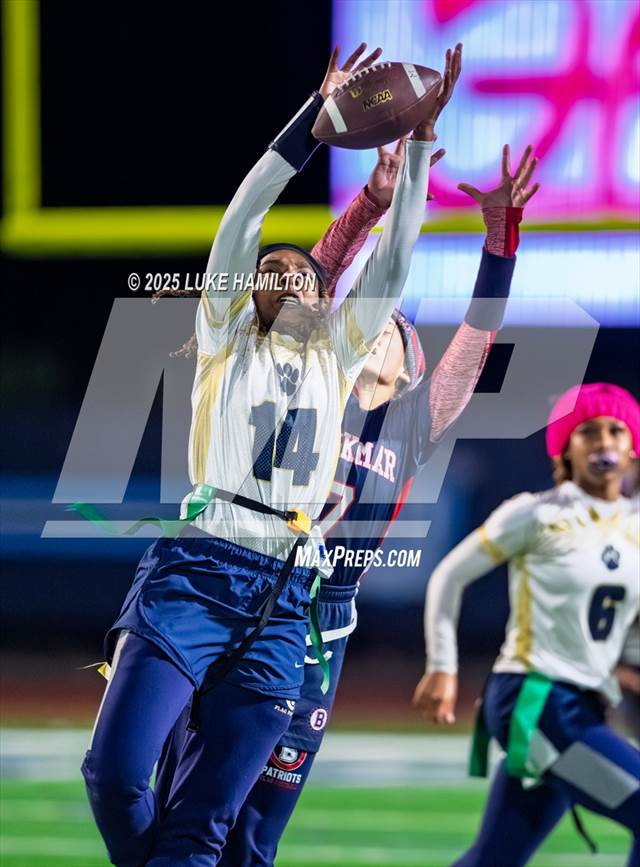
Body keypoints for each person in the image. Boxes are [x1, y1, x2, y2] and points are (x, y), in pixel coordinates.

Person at [81, 42, 458, 867]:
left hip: (289, 589)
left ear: (325, 297)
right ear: (246, 290)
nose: (289, 276)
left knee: (207, 823)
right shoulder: (223, 338)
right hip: (199, 566)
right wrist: (312, 123)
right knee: (115, 777)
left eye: (304, 272)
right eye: (272, 269)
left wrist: (421, 150)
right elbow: (244, 214)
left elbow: (394, 256)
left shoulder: (339, 353)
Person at [155, 139, 540, 866]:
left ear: (412, 366)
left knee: (258, 828)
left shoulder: (414, 422)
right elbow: (318, 276)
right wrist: (368, 204)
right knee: (187, 793)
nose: (376, 326)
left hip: (323, 621)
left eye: (393, 327)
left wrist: (500, 243)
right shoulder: (314, 375)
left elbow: (478, 336)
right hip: (247, 579)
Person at [413, 383, 640, 866]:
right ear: (565, 446)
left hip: (582, 706)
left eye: (616, 430)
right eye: (588, 431)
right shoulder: (537, 512)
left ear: (632, 445)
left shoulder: (634, 525)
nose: (603, 441)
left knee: (494, 859)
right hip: (535, 699)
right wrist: (442, 666)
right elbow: (449, 576)